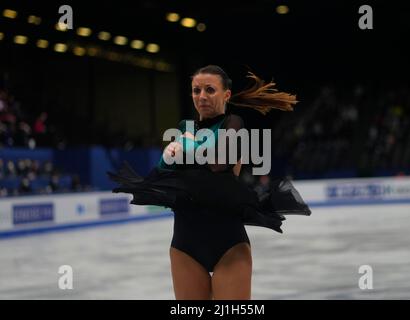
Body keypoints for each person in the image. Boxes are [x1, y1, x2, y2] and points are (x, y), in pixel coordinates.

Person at [108, 65, 311, 300]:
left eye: (209, 90)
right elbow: (160, 179)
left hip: (229, 244)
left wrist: (187, 148)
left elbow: (219, 165)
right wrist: (166, 159)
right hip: (185, 244)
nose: (201, 96)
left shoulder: (234, 124)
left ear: (226, 94)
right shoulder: (186, 128)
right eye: (196, 90)